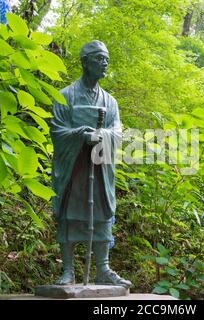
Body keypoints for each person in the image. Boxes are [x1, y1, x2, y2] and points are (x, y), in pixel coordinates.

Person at [50, 40, 131, 288]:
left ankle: (103, 269)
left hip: (99, 165)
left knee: (102, 213)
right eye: (98, 58)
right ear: (84, 62)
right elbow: (57, 130)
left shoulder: (111, 102)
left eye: (106, 58)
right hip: (74, 168)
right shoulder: (65, 96)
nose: (104, 63)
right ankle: (68, 270)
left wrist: (102, 137)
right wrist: (81, 135)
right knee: (70, 213)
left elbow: (117, 133)